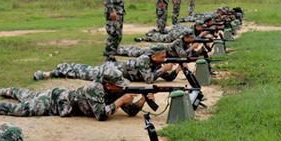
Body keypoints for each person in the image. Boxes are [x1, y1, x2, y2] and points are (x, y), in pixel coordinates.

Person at [0, 65, 152, 121]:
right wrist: (121, 101)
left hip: (59, 95)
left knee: (28, 96)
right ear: (108, 85)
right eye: (118, 85)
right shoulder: (95, 89)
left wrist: (143, 99)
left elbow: (131, 112)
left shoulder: (116, 91)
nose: (122, 87)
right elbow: (101, 115)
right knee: (22, 109)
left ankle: (11, 90)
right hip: (55, 101)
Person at [33, 49, 177, 84]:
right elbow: (149, 79)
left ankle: (61, 68)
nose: (164, 59)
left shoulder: (156, 63)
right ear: (154, 55)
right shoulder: (144, 60)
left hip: (115, 71)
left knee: (84, 70)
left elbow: (168, 77)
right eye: (162, 56)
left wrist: (178, 68)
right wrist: (163, 69)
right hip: (111, 71)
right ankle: (51, 73)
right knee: (83, 72)